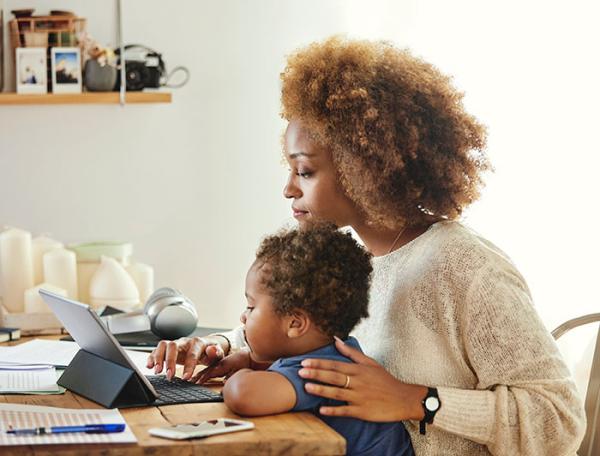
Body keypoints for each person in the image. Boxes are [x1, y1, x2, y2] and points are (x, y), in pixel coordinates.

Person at [148, 36, 586, 455]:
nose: (287, 189)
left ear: (365, 168)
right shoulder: (352, 259)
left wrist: (419, 401)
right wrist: (224, 347)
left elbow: (559, 420)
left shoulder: (464, 267)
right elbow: (302, 332)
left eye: (304, 171)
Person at [210, 223, 414, 455]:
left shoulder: (319, 370)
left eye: (251, 306)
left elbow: (243, 395)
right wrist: (250, 362)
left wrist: (242, 376)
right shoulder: (341, 350)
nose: (243, 317)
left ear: (295, 324)